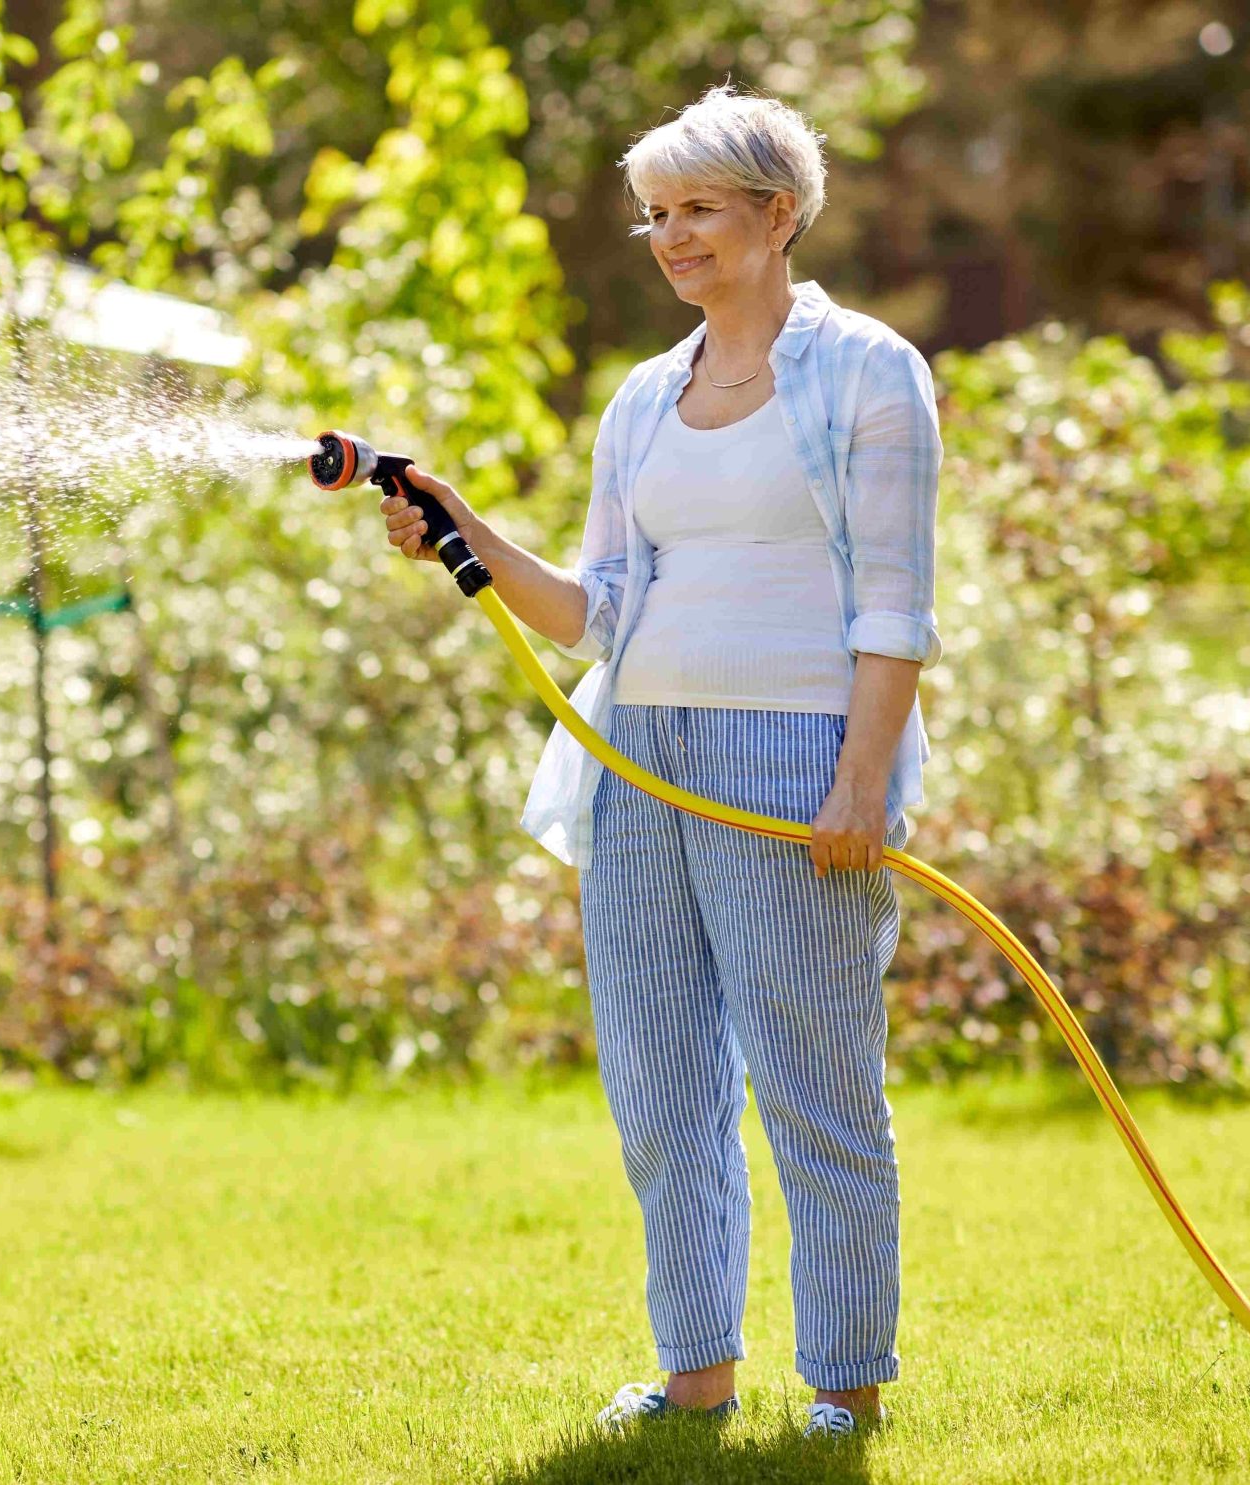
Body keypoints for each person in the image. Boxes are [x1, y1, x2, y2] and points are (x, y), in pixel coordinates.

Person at [378, 83, 943, 1440]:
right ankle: (696, 1375)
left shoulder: (870, 371)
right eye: (658, 215)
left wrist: (860, 781)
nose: (674, 235)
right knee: (659, 1078)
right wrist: (470, 534)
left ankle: (847, 1392)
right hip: (637, 752)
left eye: (700, 209)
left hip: (789, 752)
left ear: (778, 214)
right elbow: (602, 610)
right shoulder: (643, 398)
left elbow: (896, 606)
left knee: (815, 1085)